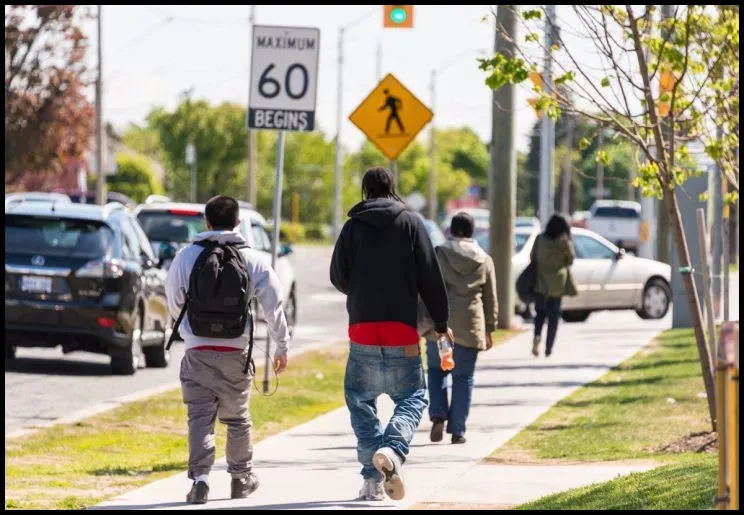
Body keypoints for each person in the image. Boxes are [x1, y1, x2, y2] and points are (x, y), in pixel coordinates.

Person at [330, 167, 452, 502]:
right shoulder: (411, 224)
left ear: (365, 190)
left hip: (362, 329)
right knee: (413, 397)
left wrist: (358, 290)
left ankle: (372, 483)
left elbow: (337, 274)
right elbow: (430, 276)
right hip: (401, 330)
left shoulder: (353, 227)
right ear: (392, 188)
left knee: (360, 401)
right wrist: (441, 323)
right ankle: (393, 449)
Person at [166, 195, 290, 505]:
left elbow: (173, 300)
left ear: (205, 222)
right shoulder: (253, 258)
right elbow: (274, 305)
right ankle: (240, 478)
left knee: (199, 419)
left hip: (197, 350)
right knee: (237, 419)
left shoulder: (187, 256)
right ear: (238, 222)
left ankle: (200, 480)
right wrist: (281, 346)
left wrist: (189, 330)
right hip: (237, 352)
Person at [421, 212, 498, 445]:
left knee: (436, 371)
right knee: (463, 378)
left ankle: (438, 415)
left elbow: (427, 289)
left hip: (440, 325)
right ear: (473, 232)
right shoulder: (484, 260)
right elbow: (490, 298)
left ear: (451, 231)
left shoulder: (439, 254)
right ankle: (458, 430)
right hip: (470, 326)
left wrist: (423, 320)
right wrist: (489, 328)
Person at [530, 213, 577, 357]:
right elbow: (570, 260)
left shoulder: (540, 239)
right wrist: (565, 246)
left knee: (540, 314)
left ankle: (537, 335)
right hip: (558, 285)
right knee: (554, 317)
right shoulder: (564, 243)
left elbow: (532, 257)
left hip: (541, 284)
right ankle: (549, 347)